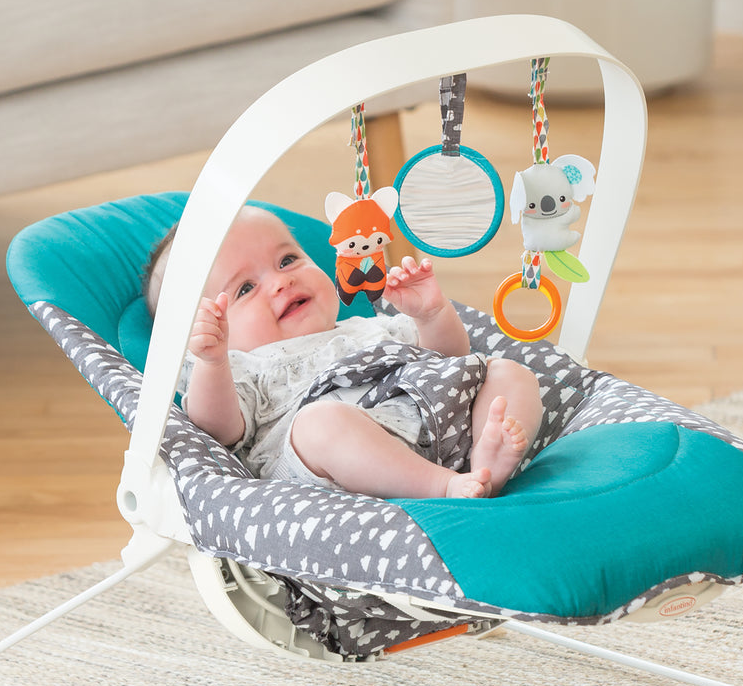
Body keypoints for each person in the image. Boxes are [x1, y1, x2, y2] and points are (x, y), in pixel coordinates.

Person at [146, 206, 544, 499]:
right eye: (245, 289)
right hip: (332, 478)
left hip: (439, 432)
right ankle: (445, 488)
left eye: (288, 260)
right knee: (320, 423)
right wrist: (211, 360)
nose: (281, 283)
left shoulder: (367, 328)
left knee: (508, 373)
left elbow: (448, 360)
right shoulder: (238, 367)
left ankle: (485, 466)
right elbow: (216, 429)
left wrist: (432, 315)